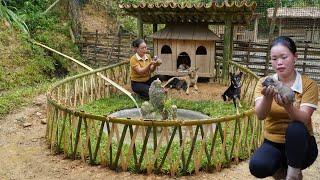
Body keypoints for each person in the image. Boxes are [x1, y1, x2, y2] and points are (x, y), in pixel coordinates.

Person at [249, 36, 318, 180]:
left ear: (295, 57)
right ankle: (280, 172)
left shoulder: (309, 84)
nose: (279, 62)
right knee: (258, 166)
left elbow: (305, 119)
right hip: (273, 143)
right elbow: (260, 115)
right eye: (274, 59)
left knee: (296, 127)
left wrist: (288, 107)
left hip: (302, 145)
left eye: (284, 57)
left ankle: (293, 173)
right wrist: (268, 98)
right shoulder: (264, 82)